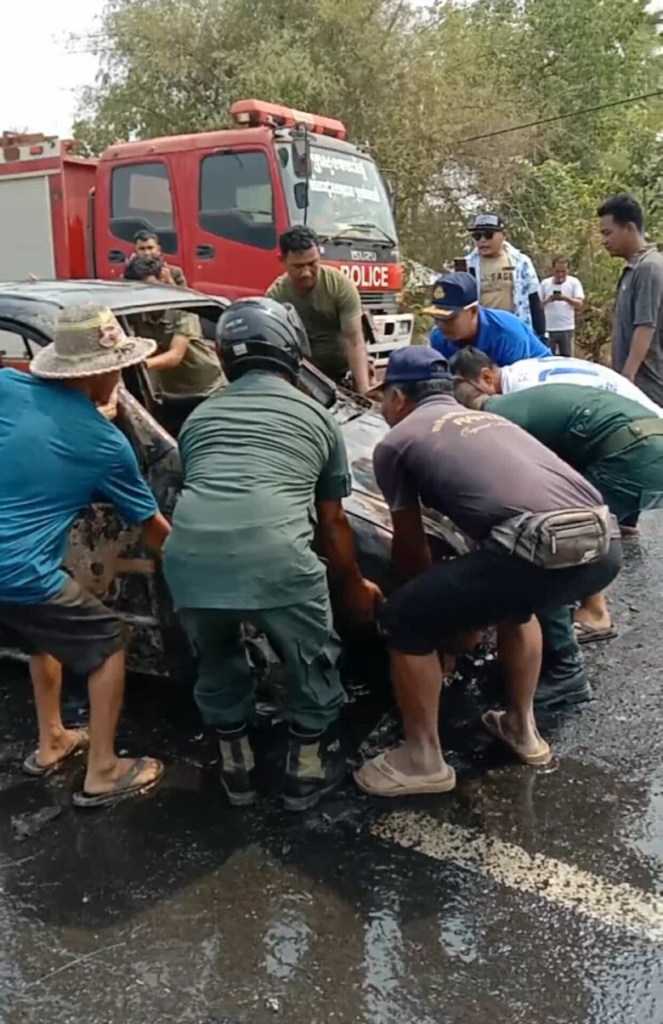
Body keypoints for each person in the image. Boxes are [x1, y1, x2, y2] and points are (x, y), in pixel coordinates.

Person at [353, 347, 622, 797]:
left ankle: (422, 759)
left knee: (405, 617)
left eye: (383, 396)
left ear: (398, 397)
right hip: (603, 546)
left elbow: (411, 545)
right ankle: (523, 729)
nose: (381, 405)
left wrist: (437, 617)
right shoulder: (492, 420)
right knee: (517, 604)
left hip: (533, 547)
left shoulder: (397, 442)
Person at [163, 297, 382, 812]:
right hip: (277, 560)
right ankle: (305, 770)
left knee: (217, 657)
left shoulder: (198, 416)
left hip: (189, 560)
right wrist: (352, 583)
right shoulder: (316, 416)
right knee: (311, 659)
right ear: (292, 350)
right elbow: (332, 522)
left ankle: (235, 766)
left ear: (224, 357)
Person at [0, 303, 170, 808]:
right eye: (117, 367)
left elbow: (41, 426)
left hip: (18, 570)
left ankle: (53, 739)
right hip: (18, 571)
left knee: (43, 635)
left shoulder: (8, 387)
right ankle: (103, 770)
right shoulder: (106, 446)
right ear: (100, 372)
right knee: (108, 642)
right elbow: (153, 531)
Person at [454, 379, 663, 644]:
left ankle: (595, 613)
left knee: (575, 529)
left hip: (637, 458)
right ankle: (621, 523)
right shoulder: (518, 401)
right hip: (647, 442)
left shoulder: (495, 422)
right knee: (593, 506)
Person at [266, 226, 371, 394]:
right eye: (298, 266)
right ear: (282, 260)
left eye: (312, 264)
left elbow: (354, 341)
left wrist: (364, 390)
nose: (306, 273)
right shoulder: (276, 296)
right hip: (305, 377)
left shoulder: (339, 285)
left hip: (345, 370)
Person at [450, 347, 663, 417]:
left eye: (469, 391)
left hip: (637, 422)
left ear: (487, 377)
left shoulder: (523, 395)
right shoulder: (522, 368)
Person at [123, 255, 222, 396]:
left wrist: (139, 366)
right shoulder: (134, 312)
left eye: (150, 287)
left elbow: (175, 356)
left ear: (162, 279)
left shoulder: (183, 309)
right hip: (170, 390)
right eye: (139, 290)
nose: (146, 295)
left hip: (207, 387)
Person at [598, 193, 663, 402]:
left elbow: (645, 326)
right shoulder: (633, 269)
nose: (604, 241)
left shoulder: (649, 268)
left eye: (608, 233)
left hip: (648, 387)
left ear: (629, 228)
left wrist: (627, 377)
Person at [426, 272, 550, 365]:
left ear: (473, 311)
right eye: (437, 318)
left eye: (450, 319)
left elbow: (518, 384)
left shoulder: (507, 333)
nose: (442, 325)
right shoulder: (438, 337)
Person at [465, 213, 546, 338]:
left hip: (515, 332)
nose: (482, 240)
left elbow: (534, 299)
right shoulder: (467, 265)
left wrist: (541, 335)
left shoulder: (521, 262)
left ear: (503, 235)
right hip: (482, 334)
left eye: (488, 235)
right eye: (477, 236)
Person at [539, 256, 585, 356]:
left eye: (563, 271)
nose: (560, 274)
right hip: (548, 328)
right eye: (557, 271)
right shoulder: (545, 284)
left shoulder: (573, 283)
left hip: (566, 327)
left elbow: (580, 304)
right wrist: (548, 300)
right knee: (547, 357)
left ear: (568, 270)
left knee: (567, 358)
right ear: (553, 270)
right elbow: (538, 306)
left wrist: (565, 298)